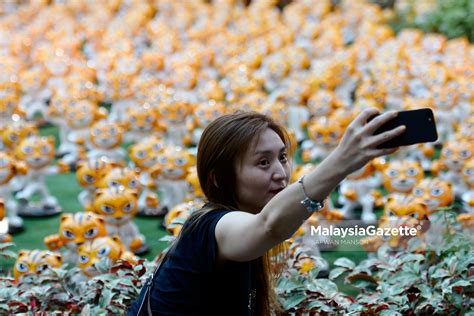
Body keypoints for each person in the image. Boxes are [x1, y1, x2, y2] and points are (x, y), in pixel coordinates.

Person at [127, 109, 405, 315]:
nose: (280, 173)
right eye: (262, 162)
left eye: (282, 157)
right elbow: (269, 226)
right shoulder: (212, 225)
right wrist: (343, 161)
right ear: (217, 178)